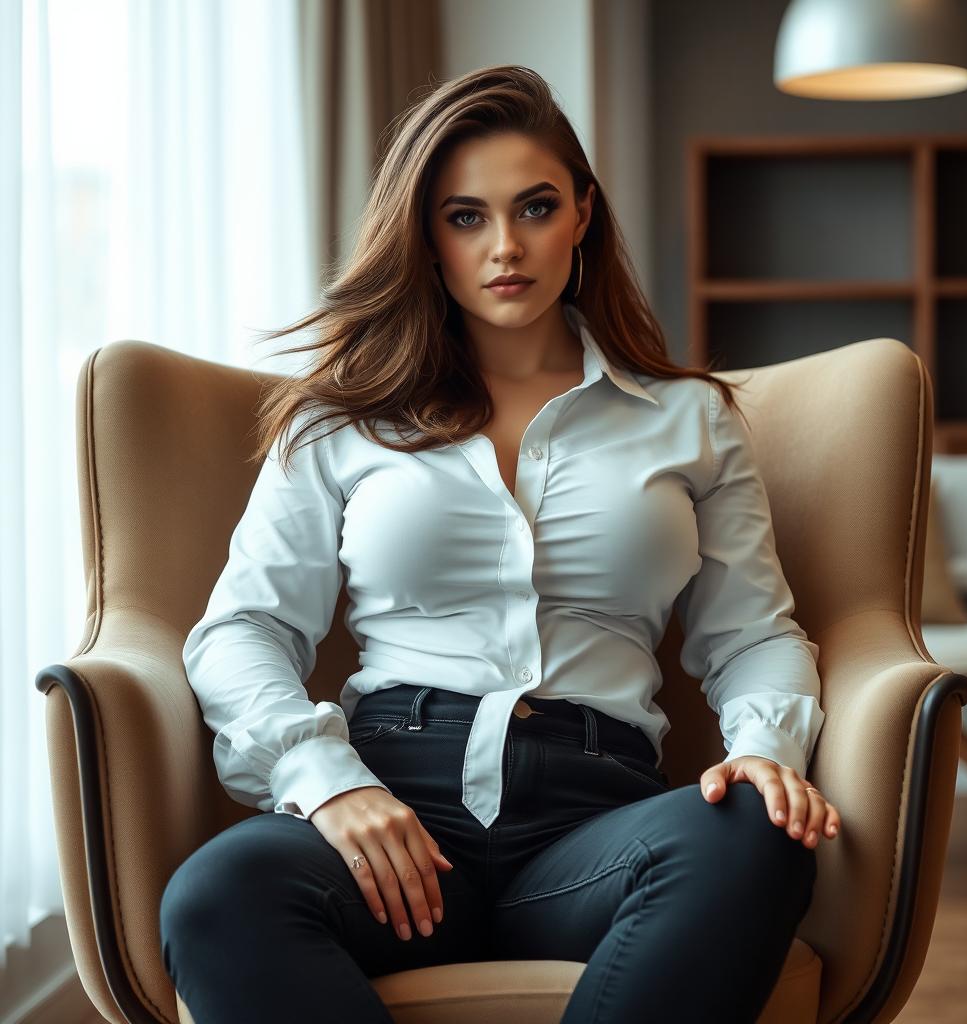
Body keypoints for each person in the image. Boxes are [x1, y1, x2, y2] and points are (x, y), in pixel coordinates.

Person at [160, 64, 841, 1024]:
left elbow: (750, 632)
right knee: (218, 894)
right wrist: (327, 781)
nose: (506, 245)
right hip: (389, 808)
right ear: (425, 236)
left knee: (755, 838)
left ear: (584, 216)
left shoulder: (691, 419)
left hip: (595, 828)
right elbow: (243, 631)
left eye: (535, 207)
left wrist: (767, 749)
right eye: (465, 216)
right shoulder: (340, 421)